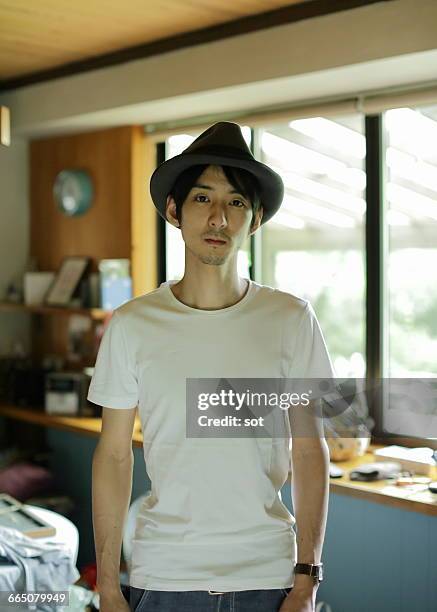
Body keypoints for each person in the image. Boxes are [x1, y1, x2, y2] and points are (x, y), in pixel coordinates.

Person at [89, 122, 336, 612]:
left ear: (256, 218)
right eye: (203, 199)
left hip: (268, 573)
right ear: (174, 211)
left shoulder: (290, 319)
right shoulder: (133, 324)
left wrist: (308, 576)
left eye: (236, 202)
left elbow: (310, 451)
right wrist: (108, 583)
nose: (219, 218)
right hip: (163, 574)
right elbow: (114, 456)